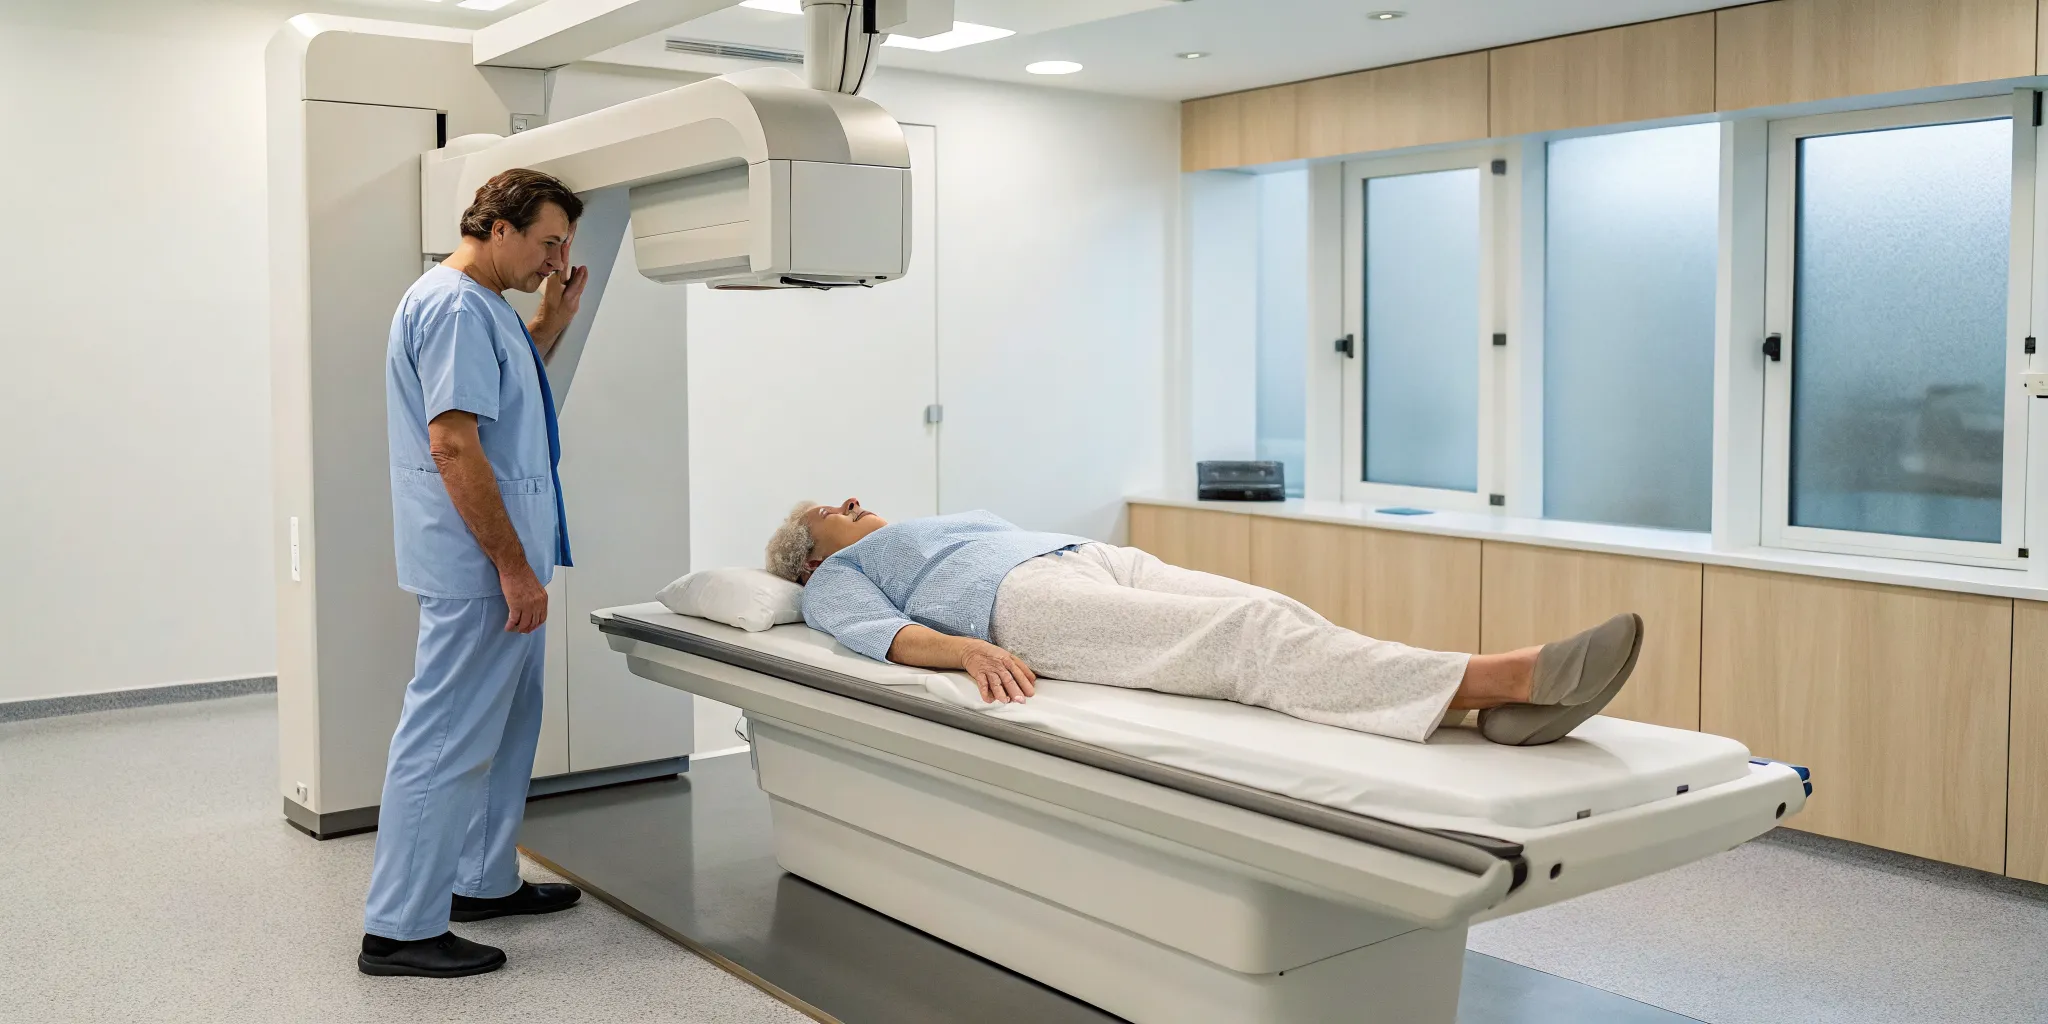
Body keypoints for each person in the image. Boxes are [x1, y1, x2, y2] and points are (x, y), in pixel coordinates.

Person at [766, 500, 1642, 747]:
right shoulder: (836, 579)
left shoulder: (916, 525)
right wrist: (964, 650)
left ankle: (1465, 706)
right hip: (1018, 604)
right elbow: (879, 635)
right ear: (809, 557)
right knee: (1243, 640)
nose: (851, 501)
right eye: (829, 509)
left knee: (1264, 608)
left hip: (1088, 556)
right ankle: (1504, 676)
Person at [360, 169, 591, 979]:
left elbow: (499, 393)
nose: (556, 260)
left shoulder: (482, 304)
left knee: (507, 725)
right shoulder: (456, 306)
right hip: (481, 567)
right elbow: (454, 445)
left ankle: (481, 881)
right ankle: (399, 928)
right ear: (499, 228)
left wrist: (549, 323)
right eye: (548, 242)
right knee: (445, 740)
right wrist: (513, 569)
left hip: (501, 563)